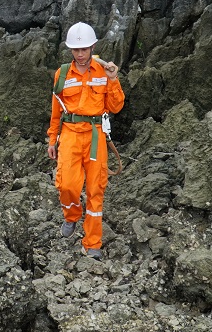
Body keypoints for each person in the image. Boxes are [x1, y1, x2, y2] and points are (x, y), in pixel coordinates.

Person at [47, 22, 125, 259]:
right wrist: (53, 139)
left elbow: (116, 106)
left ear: (92, 47)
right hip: (70, 134)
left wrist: (113, 80)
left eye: (84, 49)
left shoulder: (104, 71)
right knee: (66, 185)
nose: (80, 54)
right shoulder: (62, 73)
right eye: (75, 50)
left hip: (95, 135)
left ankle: (92, 243)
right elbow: (56, 111)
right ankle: (71, 216)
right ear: (71, 50)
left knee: (95, 189)